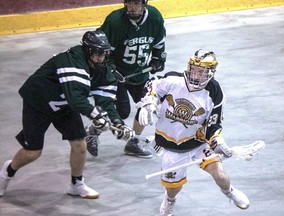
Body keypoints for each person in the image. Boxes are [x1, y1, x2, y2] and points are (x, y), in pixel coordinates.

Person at [0, 29, 133, 198]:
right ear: (87, 50)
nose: (101, 58)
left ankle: (76, 184)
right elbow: (76, 99)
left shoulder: (100, 67)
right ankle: (7, 171)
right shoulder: (72, 61)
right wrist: (95, 115)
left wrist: (117, 122)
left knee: (79, 145)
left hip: (63, 105)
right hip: (39, 102)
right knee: (32, 152)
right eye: (98, 53)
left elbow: (104, 98)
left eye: (104, 53)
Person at [137, 50, 250, 215]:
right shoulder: (173, 80)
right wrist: (148, 103)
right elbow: (152, 85)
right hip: (172, 147)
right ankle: (169, 201)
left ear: (210, 72)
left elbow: (213, 123)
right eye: (193, 69)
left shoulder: (214, 92)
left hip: (198, 143)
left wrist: (217, 141)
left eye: (201, 71)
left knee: (220, 176)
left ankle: (230, 192)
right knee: (173, 189)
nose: (195, 74)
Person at [85, 0, 166, 158]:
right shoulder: (115, 21)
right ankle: (93, 130)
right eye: (129, 3)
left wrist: (158, 58)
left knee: (147, 107)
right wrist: (111, 69)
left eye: (136, 3)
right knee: (121, 112)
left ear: (144, 3)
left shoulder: (155, 17)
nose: (132, 7)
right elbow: (100, 50)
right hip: (115, 74)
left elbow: (159, 43)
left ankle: (133, 142)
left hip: (140, 73)